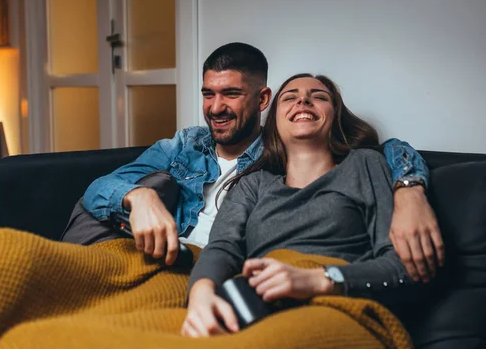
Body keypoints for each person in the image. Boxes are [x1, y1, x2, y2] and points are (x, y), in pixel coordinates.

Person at [62, 42, 443, 282]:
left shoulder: (280, 154)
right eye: (208, 94)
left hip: (196, 271)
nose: (215, 107)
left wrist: (410, 189)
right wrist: (139, 198)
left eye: (230, 94)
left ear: (263, 100)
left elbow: (384, 149)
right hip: (153, 253)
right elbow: (99, 189)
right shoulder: (184, 144)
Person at [181, 73, 423, 337]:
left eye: (318, 97)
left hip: (336, 306)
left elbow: (402, 267)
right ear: (273, 121)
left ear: (335, 116)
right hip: (256, 304)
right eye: (290, 97)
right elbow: (222, 248)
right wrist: (201, 295)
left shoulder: (364, 164)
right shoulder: (254, 184)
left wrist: (317, 279)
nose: (304, 101)